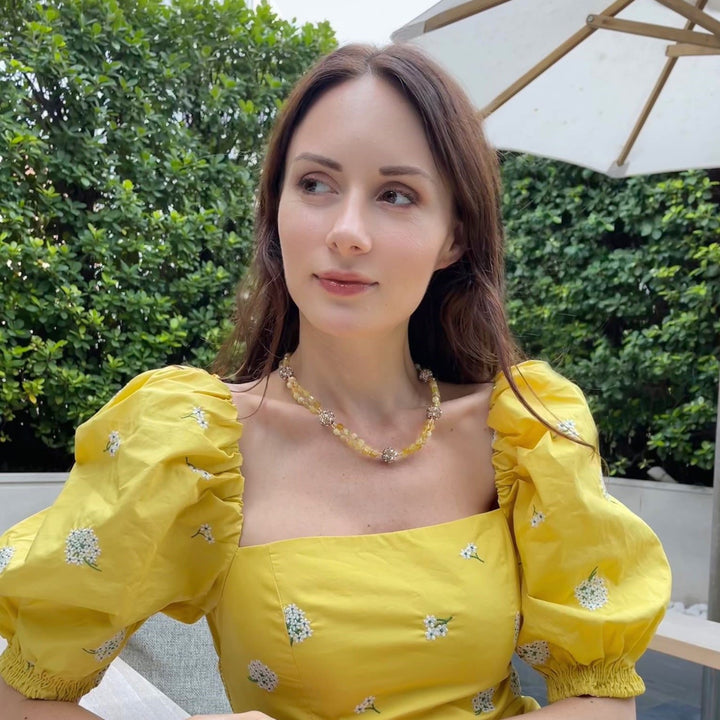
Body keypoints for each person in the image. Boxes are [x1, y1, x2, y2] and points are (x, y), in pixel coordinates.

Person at [0, 43, 671, 720]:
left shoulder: (524, 433)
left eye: (396, 195)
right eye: (316, 184)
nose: (347, 233)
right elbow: (21, 696)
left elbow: (602, 699)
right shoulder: (191, 446)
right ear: (277, 210)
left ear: (454, 237)